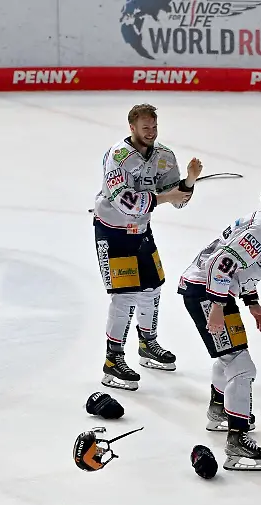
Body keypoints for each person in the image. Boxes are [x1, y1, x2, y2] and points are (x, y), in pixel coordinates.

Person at [176, 179, 261, 472]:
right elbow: (223, 263)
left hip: (207, 290)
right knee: (241, 366)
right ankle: (236, 444)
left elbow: (241, 270)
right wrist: (218, 306)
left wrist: (252, 301)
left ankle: (220, 409)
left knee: (228, 356)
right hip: (207, 292)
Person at [94, 103, 201, 390]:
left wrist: (189, 181)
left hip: (140, 230)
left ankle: (147, 343)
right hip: (113, 232)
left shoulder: (164, 157)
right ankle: (112, 359)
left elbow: (178, 201)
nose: (151, 132)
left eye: (154, 127)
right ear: (131, 128)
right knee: (124, 295)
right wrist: (164, 197)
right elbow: (127, 203)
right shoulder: (118, 157)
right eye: (145, 128)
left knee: (152, 287)